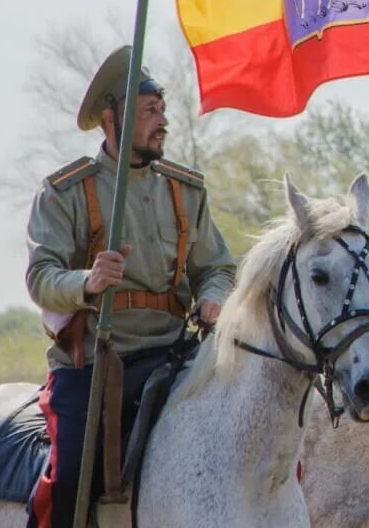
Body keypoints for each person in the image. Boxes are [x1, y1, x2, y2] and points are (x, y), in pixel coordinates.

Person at [25, 46, 236, 528]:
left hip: (174, 352)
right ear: (110, 117)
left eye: (162, 110)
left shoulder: (186, 190)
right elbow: (40, 278)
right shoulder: (66, 192)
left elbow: (218, 268)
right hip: (98, 361)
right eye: (148, 111)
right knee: (73, 474)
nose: (161, 121)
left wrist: (214, 298)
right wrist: (88, 281)